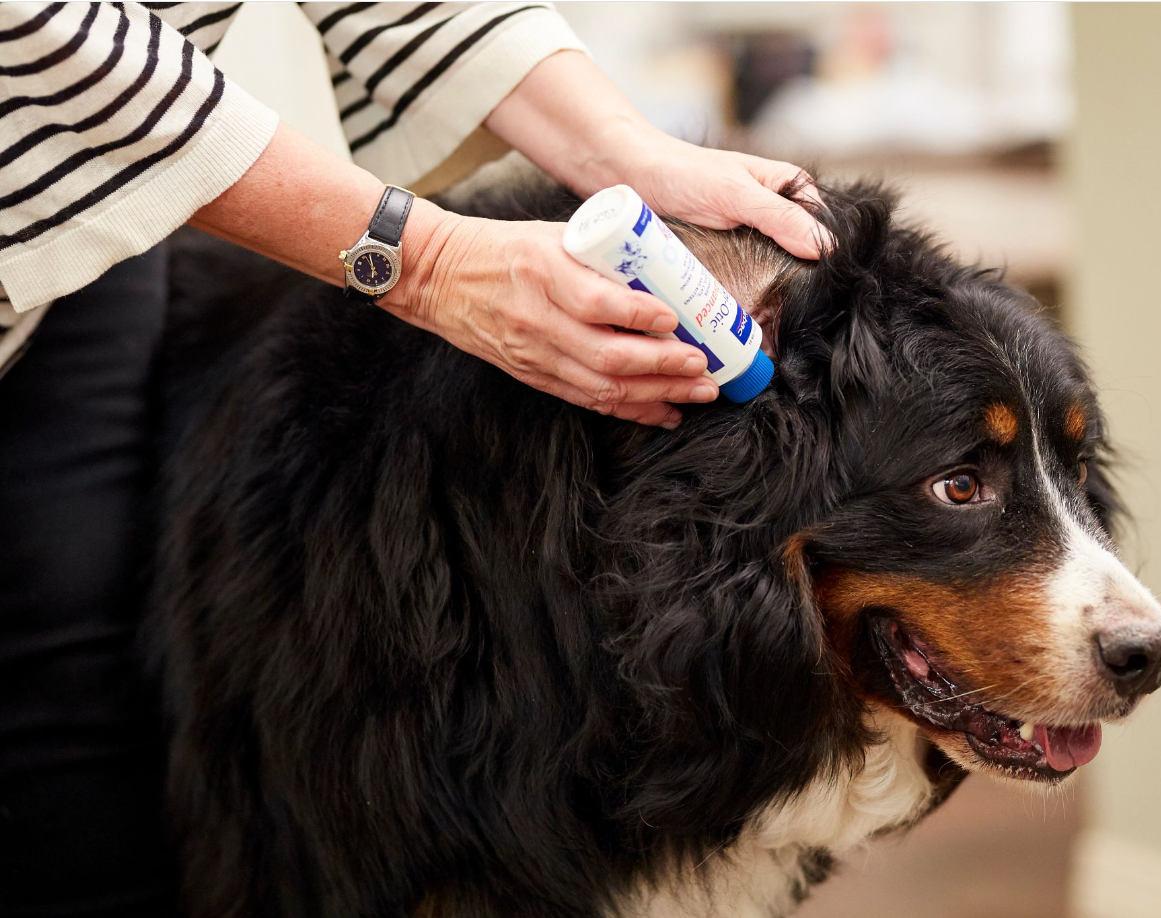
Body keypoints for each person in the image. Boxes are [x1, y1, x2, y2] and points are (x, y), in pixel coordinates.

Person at [0, 3, 830, 915]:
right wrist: (424, 259)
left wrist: (624, 148)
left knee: (72, 699)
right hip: (58, 123)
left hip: (70, 223)